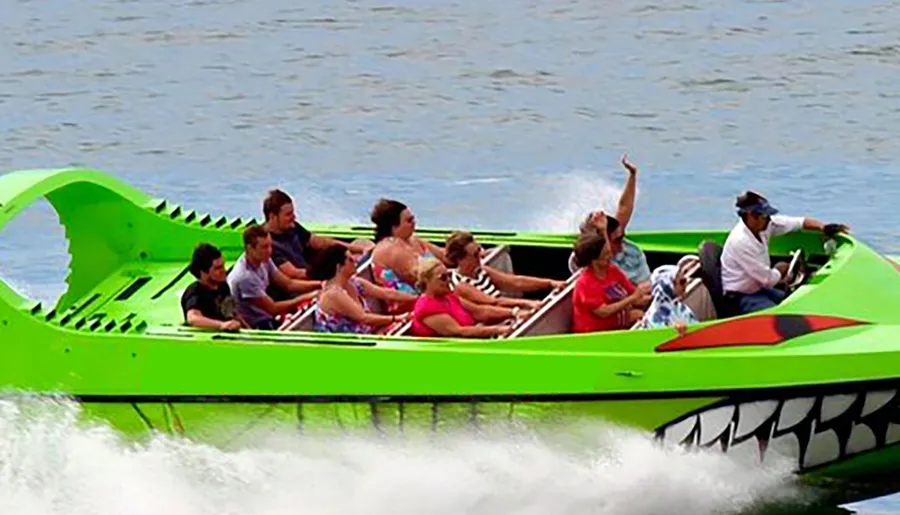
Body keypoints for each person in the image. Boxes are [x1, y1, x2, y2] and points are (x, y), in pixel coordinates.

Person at [721, 191, 849, 315]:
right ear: (751, 216)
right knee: (780, 317)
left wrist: (823, 227)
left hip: (760, 288)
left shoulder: (765, 225)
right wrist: (781, 269)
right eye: (764, 216)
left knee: (796, 302)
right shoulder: (741, 242)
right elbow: (768, 279)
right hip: (742, 297)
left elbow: (798, 223)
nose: (768, 220)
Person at [263, 189, 374, 300]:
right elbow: (294, 274)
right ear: (272, 216)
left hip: (313, 276)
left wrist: (357, 249)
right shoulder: (267, 244)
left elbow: (320, 242)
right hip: (298, 291)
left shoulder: (292, 227)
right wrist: (328, 278)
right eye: (288, 214)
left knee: (360, 246)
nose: (294, 217)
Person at [569, 154, 651, 286]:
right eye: (616, 241)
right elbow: (604, 253)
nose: (622, 245)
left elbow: (624, 208)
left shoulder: (628, 249)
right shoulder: (591, 260)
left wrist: (632, 175)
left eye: (621, 238)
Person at [307, 244, 417, 334]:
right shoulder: (333, 294)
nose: (355, 260)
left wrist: (417, 298)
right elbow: (363, 318)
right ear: (339, 267)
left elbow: (387, 293)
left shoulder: (354, 283)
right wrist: (396, 318)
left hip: (366, 336)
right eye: (350, 260)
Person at [227, 225, 321, 330]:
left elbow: (288, 284)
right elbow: (273, 308)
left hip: (268, 316)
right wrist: (309, 296)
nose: (269, 251)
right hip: (256, 325)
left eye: (270, 246)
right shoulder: (245, 277)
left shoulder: (264, 259)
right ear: (250, 248)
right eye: (264, 247)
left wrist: (320, 284)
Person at [444, 231, 563, 310]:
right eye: (475, 254)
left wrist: (550, 283)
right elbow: (493, 302)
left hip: (507, 312)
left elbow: (516, 282)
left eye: (479, 250)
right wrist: (528, 303)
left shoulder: (481, 270)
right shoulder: (460, 284)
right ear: (461, 259)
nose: (481, 255)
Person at [411, 258, 523, 338]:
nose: (448, 280)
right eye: (443, 278)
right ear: (427, 282)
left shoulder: (449, 296)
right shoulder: (426, 308)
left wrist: (515, 312)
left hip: (477, 335)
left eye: (449, 275)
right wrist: (498, 330)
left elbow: (480, 311)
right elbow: (461, 331)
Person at [370, 198, 447, 311]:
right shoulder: (391, 250)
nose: (414, 223)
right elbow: (423, 279)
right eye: (409, 221)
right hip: (412, 305)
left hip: (431, 293)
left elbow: (444, 256)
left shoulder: (413, 240)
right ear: (394, 227)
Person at [572, 232, 650, 333]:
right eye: (606, 255)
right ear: (595, 261)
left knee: (642, 314)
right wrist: (633, 298)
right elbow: (603, 312)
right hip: (594, 332)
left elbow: (635, 295)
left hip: (618, 320)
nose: (611, 257)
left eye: (609, 253)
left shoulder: (613, 270)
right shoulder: (585, 284)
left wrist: (651, 296)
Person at [180, 243, 242, 332]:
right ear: (203, 272)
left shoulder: (222, 286)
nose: (223, 271)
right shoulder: (195, 292)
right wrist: (221, 325)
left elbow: (232, 313)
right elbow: (193, 318)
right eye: (217, 268)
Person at [633, 256, 700, 335]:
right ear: (668, 286)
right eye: (682, 282)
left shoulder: (681, 308)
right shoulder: (656, 315)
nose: (685, 285)